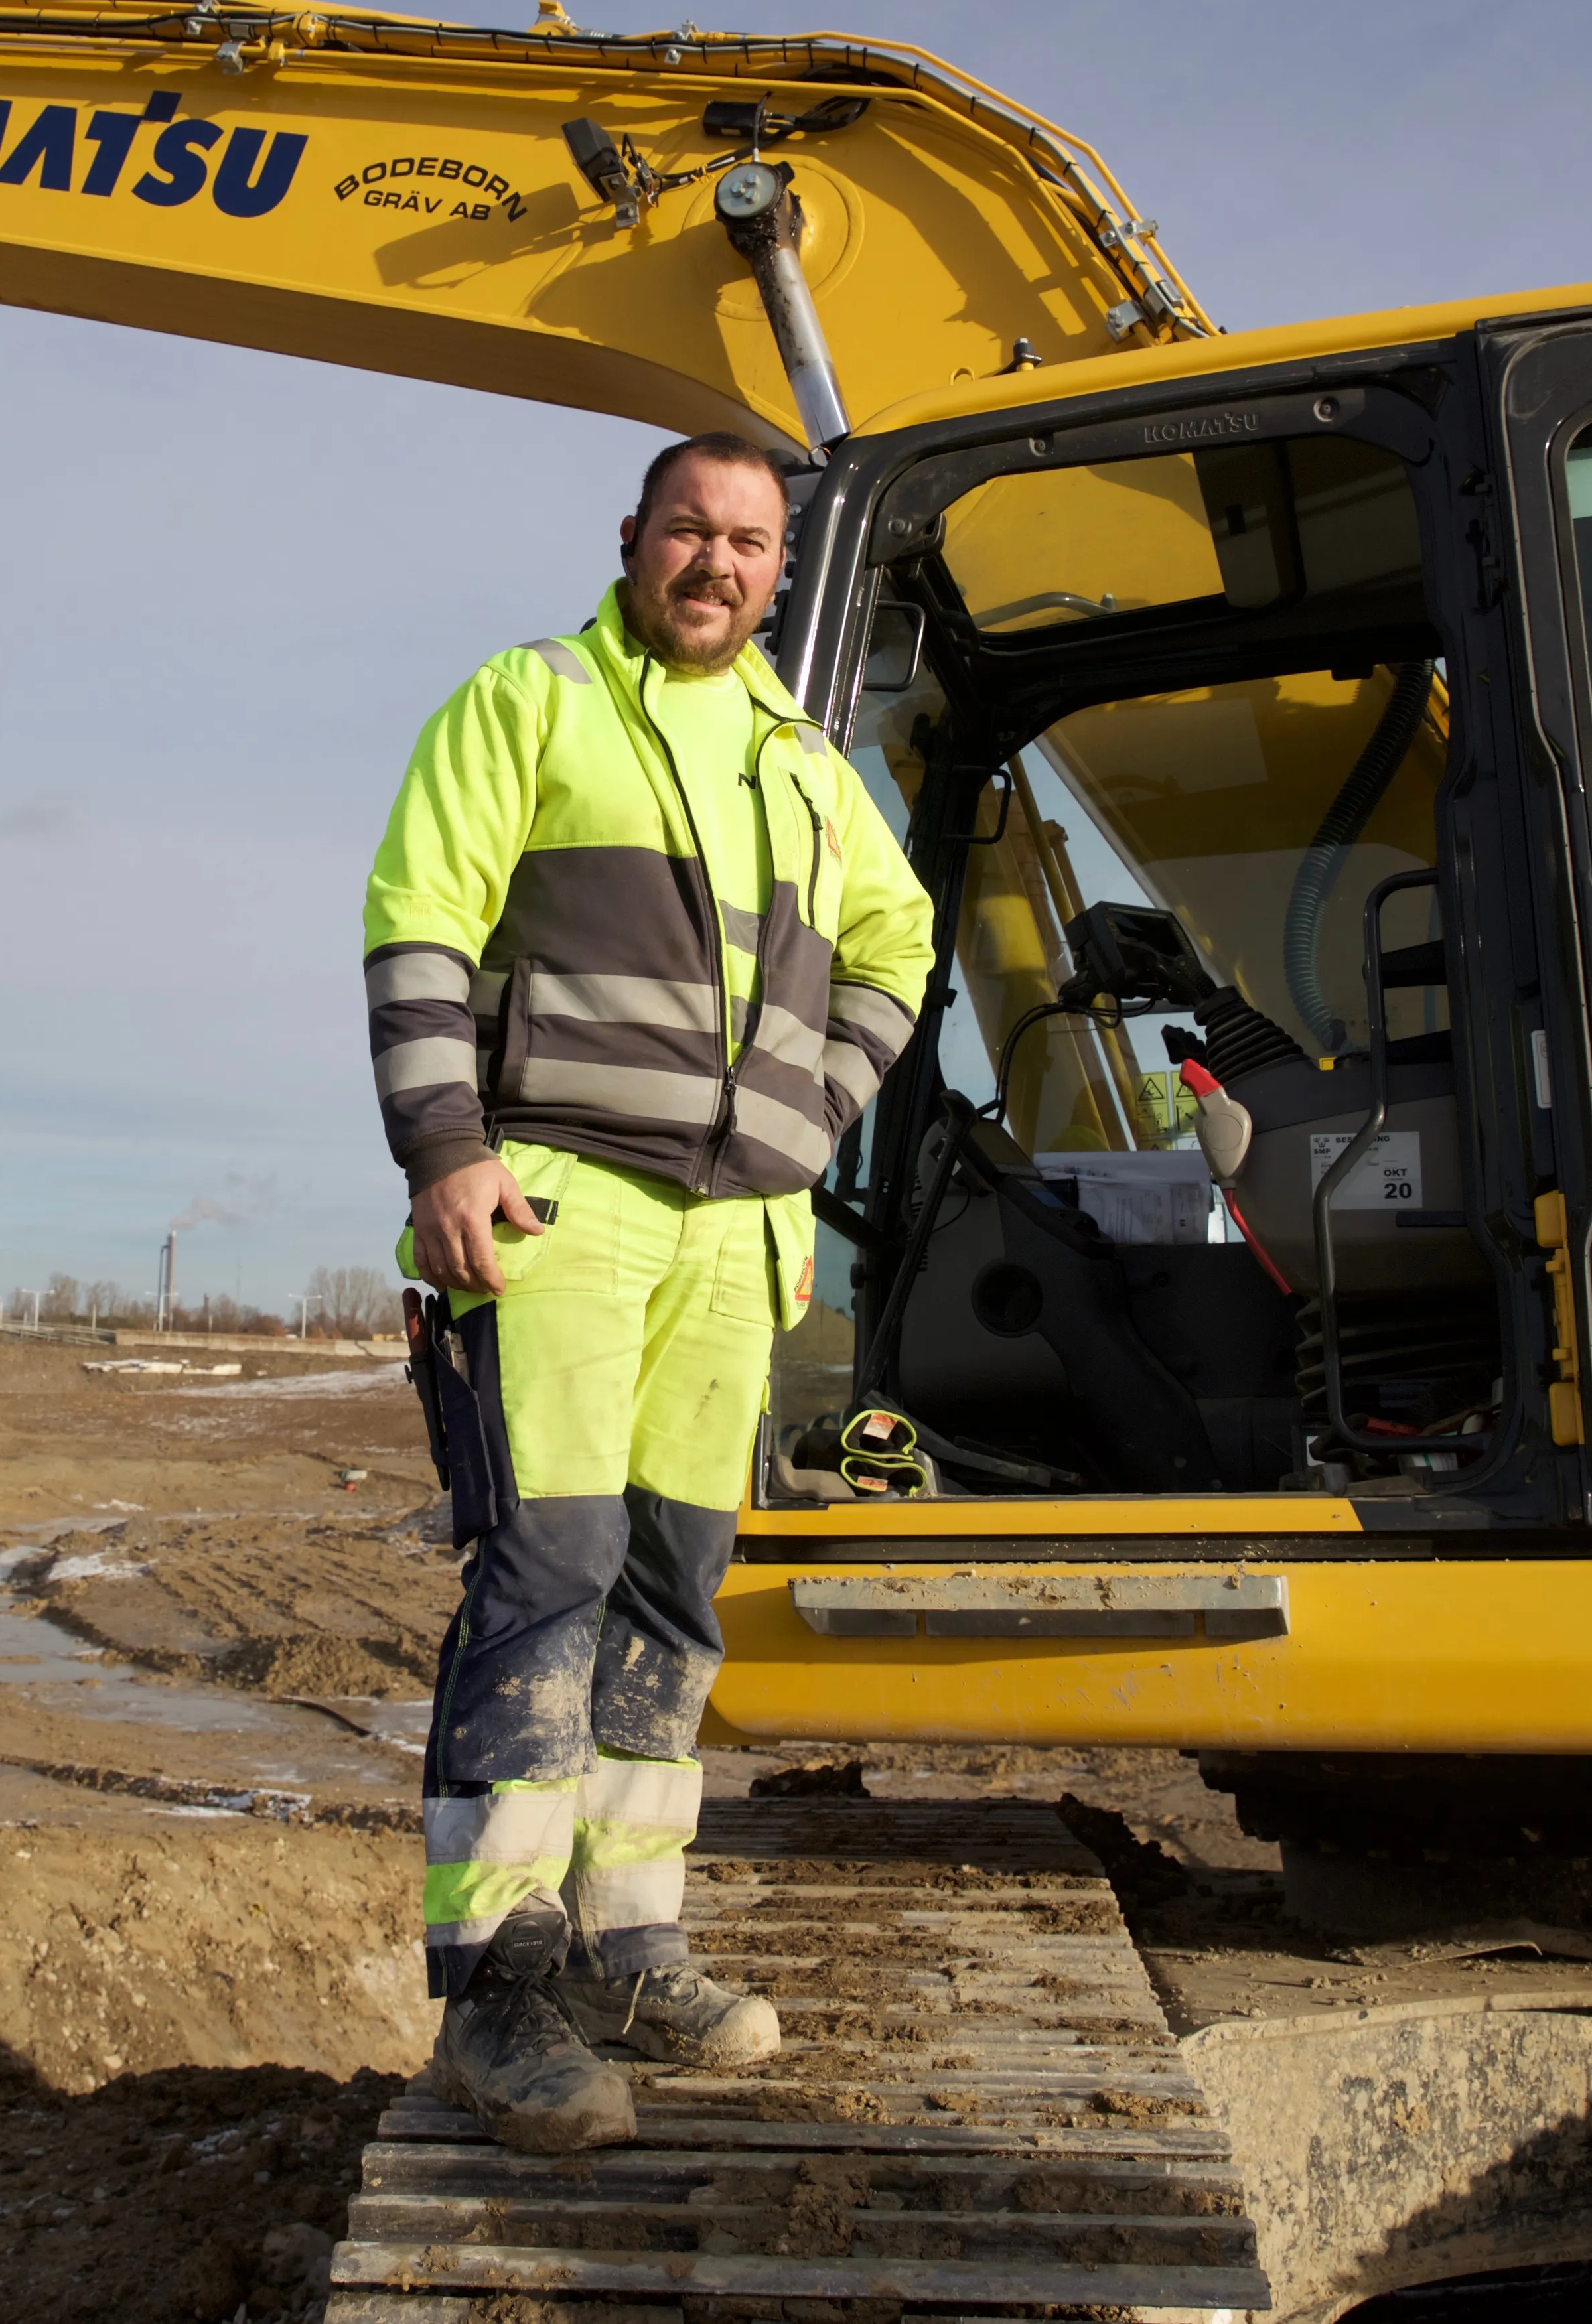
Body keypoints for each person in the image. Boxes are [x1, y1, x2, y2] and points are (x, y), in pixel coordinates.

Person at [363, 430, 934, 2152]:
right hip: (561, 1213)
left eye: (752, 541)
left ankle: (628, 1947)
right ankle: (505, 1991)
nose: (720, 561)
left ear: (777, 572)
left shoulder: (808, 767)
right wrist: (445, 1147)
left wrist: (813, 1104)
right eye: (692, 529)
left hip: (735, 1238)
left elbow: (898, 949)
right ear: (635, 541)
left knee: (676, 1596)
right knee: (549, 1574)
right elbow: (418, 922)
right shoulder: (530, 703)